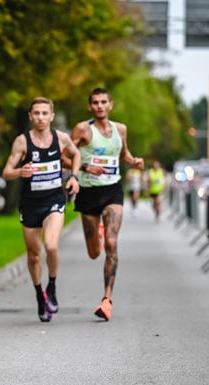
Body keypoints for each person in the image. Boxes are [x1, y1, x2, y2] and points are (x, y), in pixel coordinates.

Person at [2, 97, 80, 322]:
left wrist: (74, 177)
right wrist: (19, 172)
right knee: (34, 255)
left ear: (52, 116)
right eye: (36, 113)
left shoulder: (61, 138)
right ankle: (39, 294)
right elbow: (7, 171)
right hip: (30, 205)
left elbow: (76, 155)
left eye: (45, 113)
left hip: (55, 200)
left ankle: (52, 287)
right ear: (30, 116)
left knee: (52, 245)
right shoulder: (22, 141)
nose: (41, 117)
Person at [70, 87, 144, 321]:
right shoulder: (83, 129)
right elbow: (64, 155)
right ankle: (99, 233)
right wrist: (84, 167)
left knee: (112, 243)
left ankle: (106, 300)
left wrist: (134, 161)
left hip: (112, 190)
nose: (100, 106)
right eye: (95, 103)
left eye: (104, 102)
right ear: (90, 106)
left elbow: (123, 153)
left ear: (110, 104)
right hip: (89, 192)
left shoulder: (120, 129)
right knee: (94, 252)